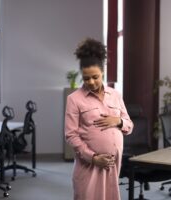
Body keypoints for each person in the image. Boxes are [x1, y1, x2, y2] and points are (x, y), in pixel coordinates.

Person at [65, 38, 134, 200]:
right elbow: (71, 135)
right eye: (86, 78)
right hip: (89, 165)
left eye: (95, 77)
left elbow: (129, 125)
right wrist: (93, 158)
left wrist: (118, 121)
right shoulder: (74, 99)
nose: (91, 82)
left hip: (112, 165)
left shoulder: (115, 95)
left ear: (102, 72)